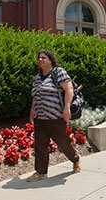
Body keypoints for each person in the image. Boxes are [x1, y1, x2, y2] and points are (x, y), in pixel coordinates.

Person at [27, 50, 81, 182]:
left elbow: (69, 89)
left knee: (62, 142)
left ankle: (75, 158)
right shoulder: (38, 77)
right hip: (40, 117)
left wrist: (67, 108)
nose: (40, 60)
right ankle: (40, 172)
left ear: (51, 60)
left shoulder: (58, 72)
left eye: (43, 58)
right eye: (39, 58)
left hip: (55, 116)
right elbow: (35, 95)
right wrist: (32, 111)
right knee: (40, 145)